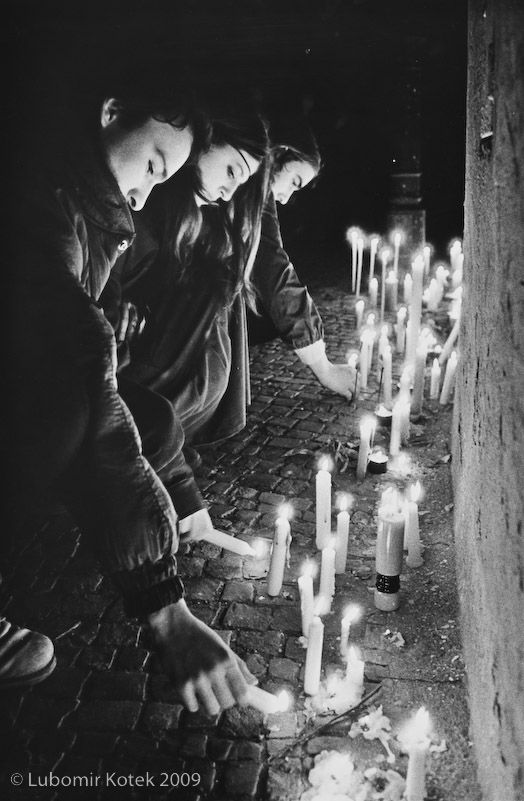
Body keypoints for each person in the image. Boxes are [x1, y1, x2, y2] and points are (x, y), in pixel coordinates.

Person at [2, 61, 257, 713]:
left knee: (150, 417)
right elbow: (86, 371)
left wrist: (182, 495)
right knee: (73, 407)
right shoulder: (40, 199)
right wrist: (165, 612)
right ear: (113, 110)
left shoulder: (92, 217)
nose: (147, 195)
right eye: (153, 166)